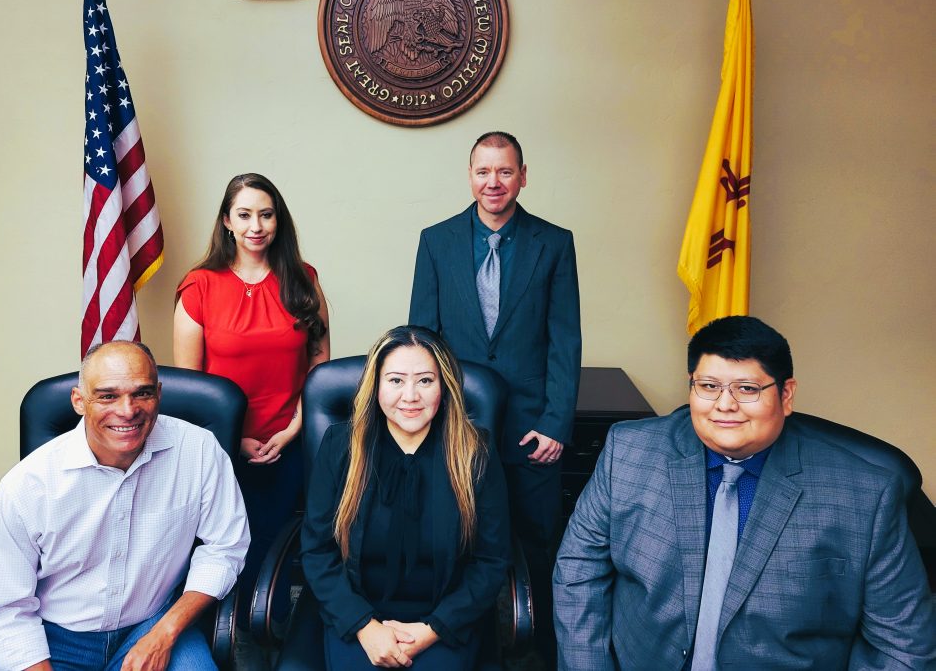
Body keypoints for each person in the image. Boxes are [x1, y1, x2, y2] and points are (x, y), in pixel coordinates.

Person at [553, 315, 936, 670]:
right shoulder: (629, 452)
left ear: (786, 394)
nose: (724, 405)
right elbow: (578, 570)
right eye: (708, 386)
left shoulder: (865, 495)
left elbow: (903, 642)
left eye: (747, 389)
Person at [408, 130, 581, 666]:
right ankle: (462, 643)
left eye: (505, 171)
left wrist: (556, 422)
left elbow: (564, 340)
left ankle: (541, 651)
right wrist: (426, 422)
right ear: (470, 176)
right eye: (483, 171)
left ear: (522, 177)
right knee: (458, 541)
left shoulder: (554, 243)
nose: (494, 182)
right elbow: (421, 340)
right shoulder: (436, 241)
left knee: (537, 542)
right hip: (456, 427)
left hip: (532, 428)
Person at [0, 341, 249, 671]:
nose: (128, 410)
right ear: (79, 401)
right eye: (107, 396)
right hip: (53, 636)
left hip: (153, 623)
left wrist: (166, 632)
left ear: (159, 394)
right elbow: (4, 609)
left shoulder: (199, 450)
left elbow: (225, 547)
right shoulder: (28, 484)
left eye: (142, 393)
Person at [173, 173, 329, 656]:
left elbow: (320, 367)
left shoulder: (303, 279)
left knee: (273, 537)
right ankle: (211, 631)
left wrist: (295, 428)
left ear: (278, 220)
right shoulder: (200, 286)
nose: (256, 226)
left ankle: (266, 628)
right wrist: (234, 439)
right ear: (227, 221)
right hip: (221, 443)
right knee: (218, 540)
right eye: (244, 215)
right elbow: (191, 387)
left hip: (289, 437)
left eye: (265, 214)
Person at [301, 326, 510, 669]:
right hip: (356, 616)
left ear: (444, 386)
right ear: (376, 386)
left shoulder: (475, 451)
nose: (410, 396)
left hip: (445, 620)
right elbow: (316, 550)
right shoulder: (341, 447)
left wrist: (433, 630)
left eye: (425, 380)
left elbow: (491, 560)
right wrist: (364, 626)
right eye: (396, 380)